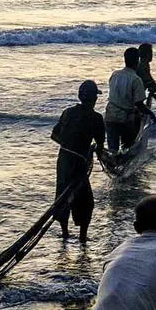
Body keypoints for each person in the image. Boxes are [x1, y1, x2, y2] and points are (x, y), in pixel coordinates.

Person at [51, 79, 106, 242]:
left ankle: (65, 233)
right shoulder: (96, 118)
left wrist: (70, 144)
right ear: (94, 99)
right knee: (86, 201)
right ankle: (83, 236)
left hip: (63, 160)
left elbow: (55, 135)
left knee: (62, 195)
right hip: (79, 163)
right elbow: (100, 145)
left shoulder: (67, 112)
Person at [105, 47, 156, 152]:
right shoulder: (136, 79)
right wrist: (151, 114)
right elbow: (139, 104)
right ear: (137, 61)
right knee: (127, 147)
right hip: (125, 119)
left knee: (112, 149)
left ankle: (112, 165)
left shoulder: (115, 74)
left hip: (110, 116)